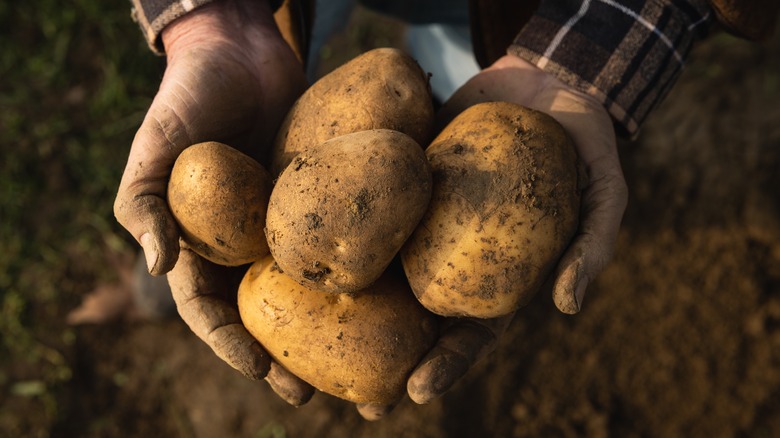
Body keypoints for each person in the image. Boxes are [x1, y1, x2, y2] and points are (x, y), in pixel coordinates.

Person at [113, 0, 777, 421]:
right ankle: (163, 266)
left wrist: (593, 54)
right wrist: (210, 20)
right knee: (234, 136)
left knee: (451, 86)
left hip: (533, 14)